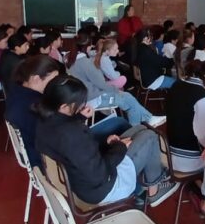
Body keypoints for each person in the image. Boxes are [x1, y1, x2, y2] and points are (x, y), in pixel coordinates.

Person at [35, 76, 178, 206]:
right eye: (79, 103)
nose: (82, 105)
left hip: (82, 180)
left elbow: (79, 152)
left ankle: (148, 179)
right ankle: (154, 191)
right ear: (64, 107)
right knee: (150, 136)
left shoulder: (44, 122)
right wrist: (119, 147)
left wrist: (81, 119)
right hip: (104, 188)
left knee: (140, 128)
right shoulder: (72, 134)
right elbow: (99, 173)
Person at [5, 55, 130, 168]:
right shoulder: (34, 105)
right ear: (36, 79)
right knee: (120, 125)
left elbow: (57, 127)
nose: (56, 84)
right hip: (53, 161)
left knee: (118, 123)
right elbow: (64, 138)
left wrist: (80, 117)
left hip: (46, 151)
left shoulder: (18, 93)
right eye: (53, 80)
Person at [68, 35, 166, 128]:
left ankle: (147, 119)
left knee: (128, 97)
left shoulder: (71, 60)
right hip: (93, 99)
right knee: (129, 101)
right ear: (87, 46)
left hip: (83, 98)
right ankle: (137, 128)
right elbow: (101, 84)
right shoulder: (86, 63)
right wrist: (116, 90)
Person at [165, 59, 205, 213]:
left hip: (168, 153)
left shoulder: (177, 84)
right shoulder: (202, 96)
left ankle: (198, 181)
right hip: (186, 160)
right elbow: (204, 137)